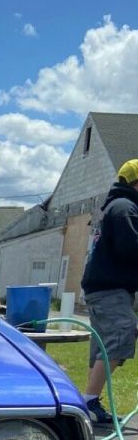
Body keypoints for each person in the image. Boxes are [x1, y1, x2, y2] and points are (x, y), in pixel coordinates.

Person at [80, 159, 138, 425]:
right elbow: (130, 248)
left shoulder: (113, 206)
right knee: (121, 335)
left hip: (100, 287)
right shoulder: (126, 207)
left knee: (103, 346)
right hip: (110, 288)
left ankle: (90, 401)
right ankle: (89, 402)